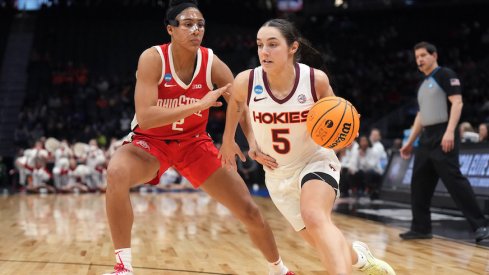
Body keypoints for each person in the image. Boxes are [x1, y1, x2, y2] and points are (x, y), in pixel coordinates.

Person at [103, 1, 294, 275]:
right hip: (151, 143)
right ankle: (123, 267)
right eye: (188, 24)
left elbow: (238, 102)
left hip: (194, 144)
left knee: (249, 211)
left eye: (200, 24)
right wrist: (198, 105)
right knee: (117, 173)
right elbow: (145, 116)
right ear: (170, 29)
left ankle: (279, 270)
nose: (196, 30)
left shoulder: (211, 62)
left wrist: (251, 141)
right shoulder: (152, 58)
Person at [219, 18, 395, 275]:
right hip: (277, 173)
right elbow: (236, 105)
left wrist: (345, 136)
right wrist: (238, 140)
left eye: (272, 44)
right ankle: (360, 258)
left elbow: (338, 118)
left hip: (315, 160)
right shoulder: (247, 80)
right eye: (259, 45)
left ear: (293, 47)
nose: (264, 52)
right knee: (320, 242)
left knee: (315, 216)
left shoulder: (315, 80)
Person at [399, 41, 489, 242]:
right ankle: (421, 228)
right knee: (419, 184)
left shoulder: (446, 75)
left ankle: (481, 226)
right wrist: (410, 142)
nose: (420, 60)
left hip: (444, 133)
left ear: (434, 56)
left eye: (423, 55)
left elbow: (457, 103)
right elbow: (421, 116)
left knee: (454, 182)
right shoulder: (421, 84)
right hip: (426, 138)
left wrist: (450, 132)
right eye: (417, 57)